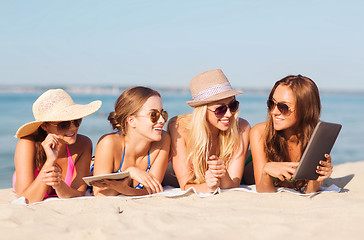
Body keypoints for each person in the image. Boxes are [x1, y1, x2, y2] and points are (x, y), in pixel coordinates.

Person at [167, 69, 251, 193]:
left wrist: (223, 175)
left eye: (233, 106)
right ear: (203, 111)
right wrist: (209, 187)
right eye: (220, 109)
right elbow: (185, 186)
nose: (229, 114)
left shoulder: (242, 128)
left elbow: (233, 185)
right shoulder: (180, 128)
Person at [13, 89, 102, 203]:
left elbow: (79, 193)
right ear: (45, 126)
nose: (73, 128)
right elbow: (26, 200)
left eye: (76, 120)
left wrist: (59, 185)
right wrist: (50, 161)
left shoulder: (83, 144)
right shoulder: (27, 145)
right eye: (63, 124)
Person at [250, 75, 333, 193]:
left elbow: (310, 193)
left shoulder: (318, 136)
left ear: (304, 109)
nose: (274, 111)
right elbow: (263, 191)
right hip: (246, 170)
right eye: (271, 103)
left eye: (283, 107)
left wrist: (316, 178)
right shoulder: (260, 132)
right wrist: (265, 171)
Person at [91, 86, 170, 196]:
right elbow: (100, 194)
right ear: (132, 121)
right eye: (154, 115)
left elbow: (153, 190)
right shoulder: (109, 143)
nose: (162, 120)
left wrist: (124, 185)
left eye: (163, 114)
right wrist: (128, 173)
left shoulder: (163, 140)